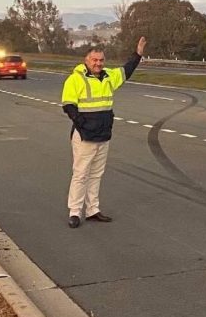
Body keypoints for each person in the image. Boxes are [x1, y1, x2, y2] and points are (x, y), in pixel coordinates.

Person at [61, 37, 147, 228]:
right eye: (94, 60)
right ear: (86, 60)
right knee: (81, 174)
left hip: (103, 135)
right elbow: (68, 105)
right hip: (85, 136)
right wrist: (83, 124)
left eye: (101, 60)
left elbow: (127, 70)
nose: (98, 63)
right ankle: (75, 212)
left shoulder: (109, 77)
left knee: (96, 174)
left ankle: (93, 210)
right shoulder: (75, 79)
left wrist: (138, 53)